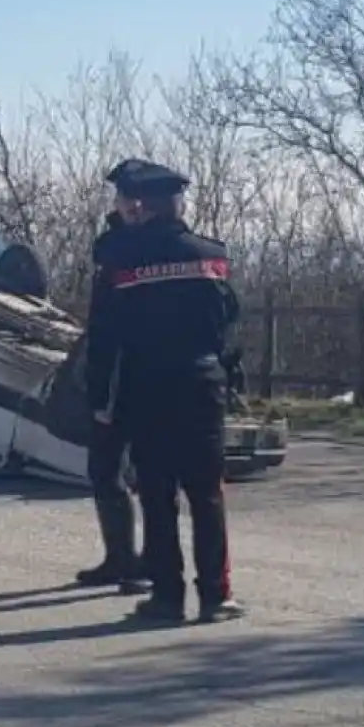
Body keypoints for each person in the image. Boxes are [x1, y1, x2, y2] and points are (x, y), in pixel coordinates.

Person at [86, 159, 244, 623]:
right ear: (177, 205)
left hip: (147, 387)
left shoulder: (120, 259)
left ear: (142, 205)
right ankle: (217, 596)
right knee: (207, 493)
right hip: (202, 385)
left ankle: (167, 597)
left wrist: (101, 402)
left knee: (157, 494)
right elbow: (225, 327)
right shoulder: (210, 255)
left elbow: (104, 339)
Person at [75, 205, 148, 594]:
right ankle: (122, 557)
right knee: (112, 472)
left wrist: (102, 393)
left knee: (123, 472)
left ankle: (138, 562)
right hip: (131, 379)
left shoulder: (125, 266)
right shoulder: (129, 257)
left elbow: (109, 335)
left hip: (123, 382)